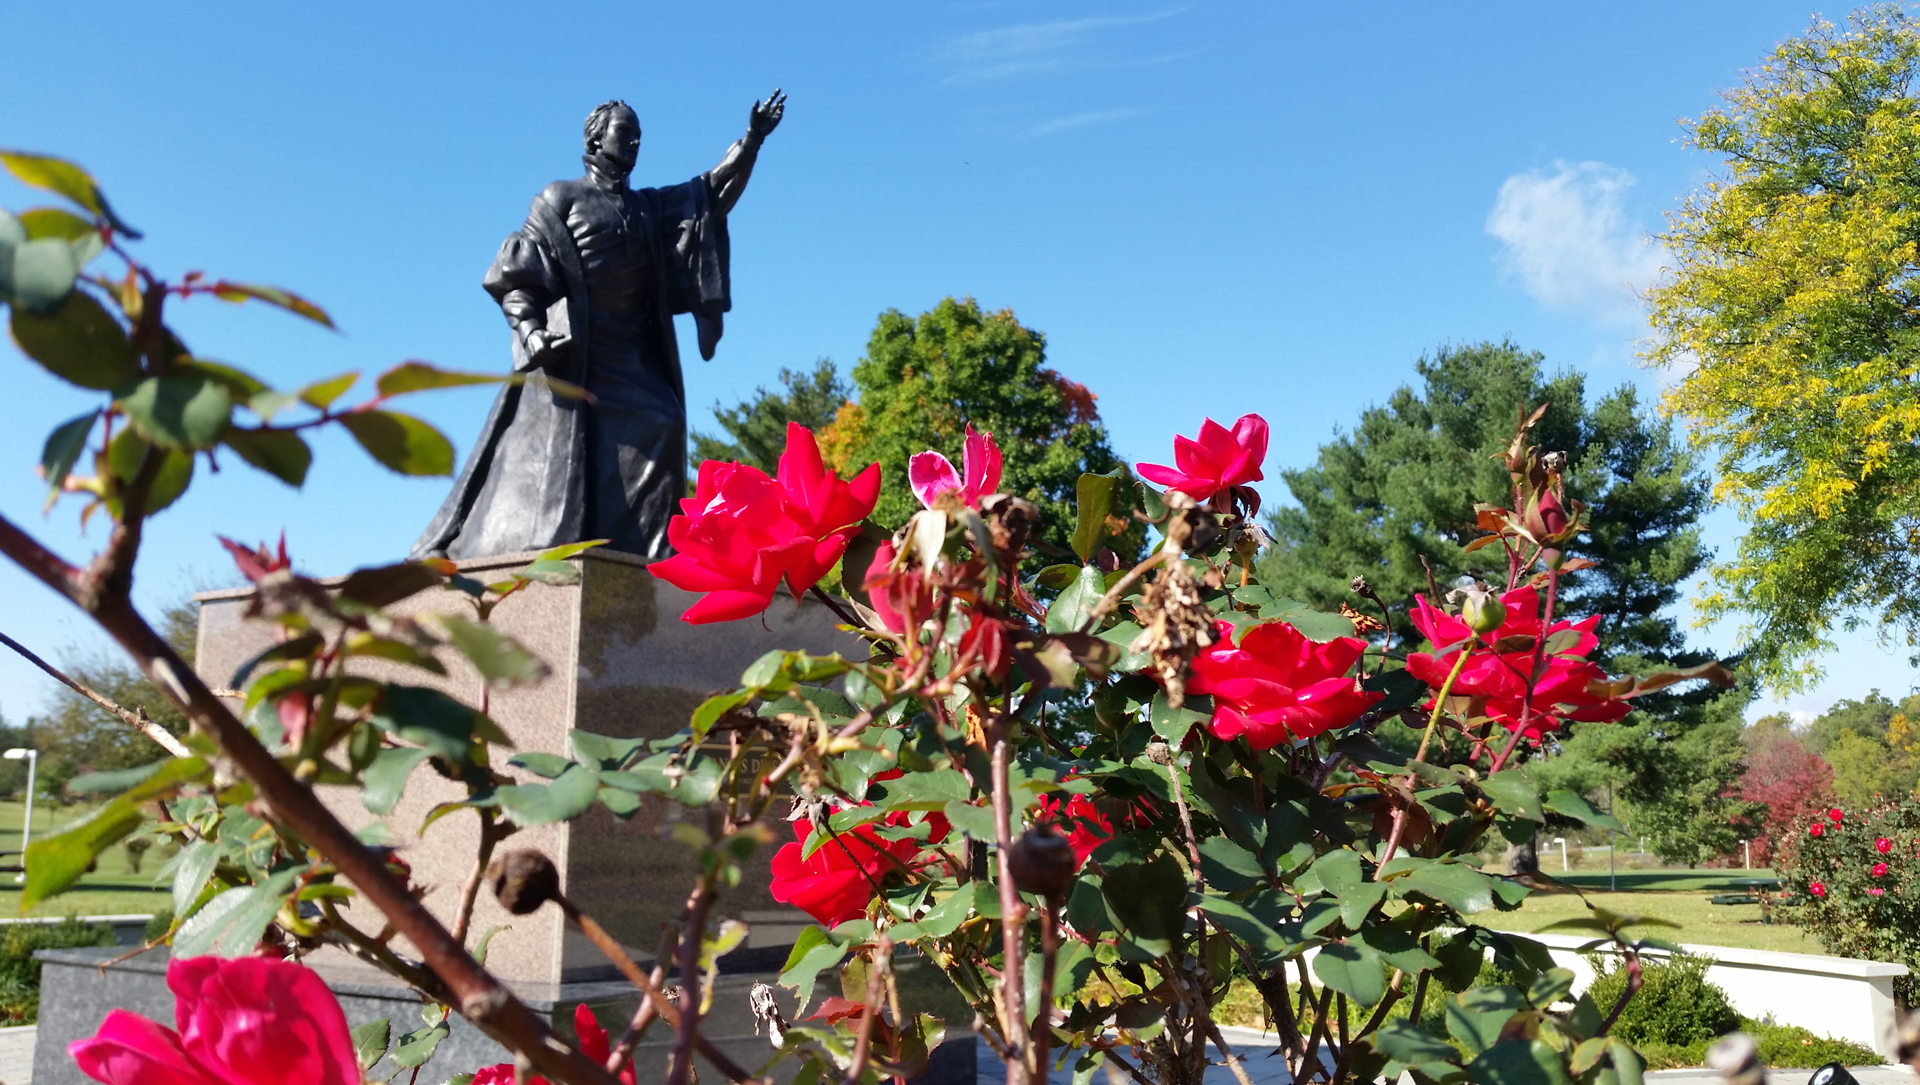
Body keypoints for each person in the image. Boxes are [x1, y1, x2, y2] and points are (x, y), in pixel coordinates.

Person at [413, 91, 785, 560]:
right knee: (560, 470)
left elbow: (710, 194)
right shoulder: (560, 197)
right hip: (575, 350)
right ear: (596, 137)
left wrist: (751, 140)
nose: (634, 143)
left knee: (665, 421)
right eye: (624, 133)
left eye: (639, 136)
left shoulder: (647, 208)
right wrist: (530, 332)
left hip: (631, 352)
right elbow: (517, 275)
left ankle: (639, 559)